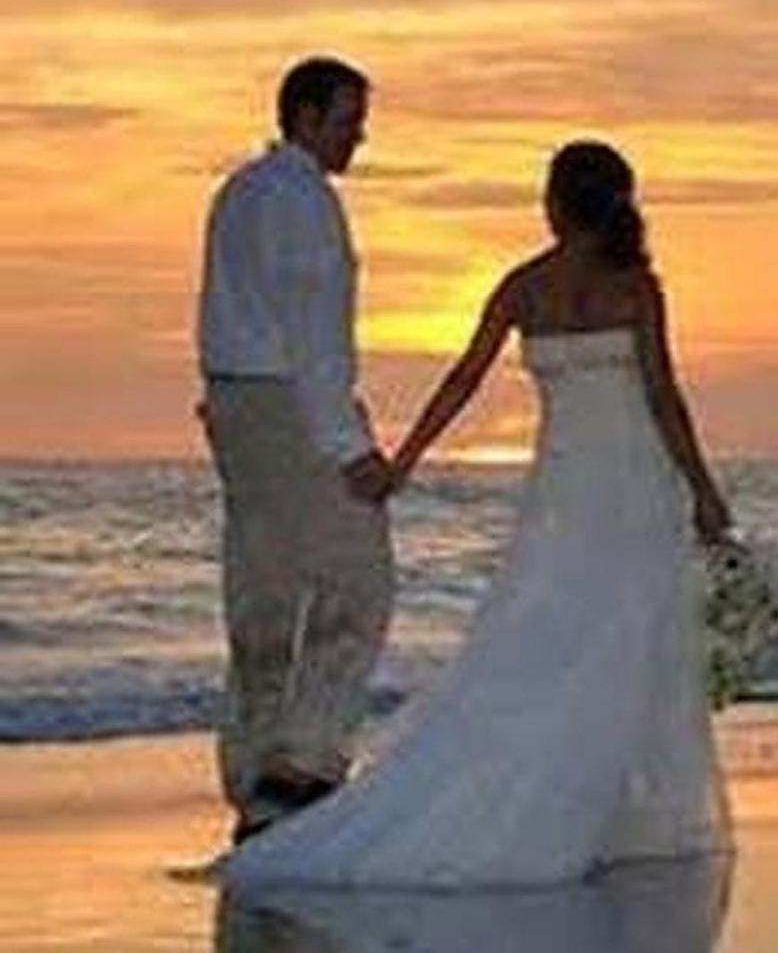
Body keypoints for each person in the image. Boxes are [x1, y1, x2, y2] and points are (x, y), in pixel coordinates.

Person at [224, 140, 734, 890]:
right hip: (633, 482)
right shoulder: (635, 287)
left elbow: (462, 380)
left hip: (564, 489)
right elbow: (664, 398)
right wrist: (704, 492)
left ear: (556, 204)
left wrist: (405, 460)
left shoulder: (525, 286)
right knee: (624, 634)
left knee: (552, 632)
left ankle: (581, 802)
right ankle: (597, 807)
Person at [196, 56, 396, 846]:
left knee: (264, 593)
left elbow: (221, 309)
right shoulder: (304, 200)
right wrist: (350, 446)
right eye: (348, 121)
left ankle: (252, 776)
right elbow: (316, 337)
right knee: (359, 581)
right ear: (306, 118)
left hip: (237, 400)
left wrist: (223, 407)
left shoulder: (239, 191)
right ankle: (302, 767)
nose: (358, 137)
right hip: (288, 404)